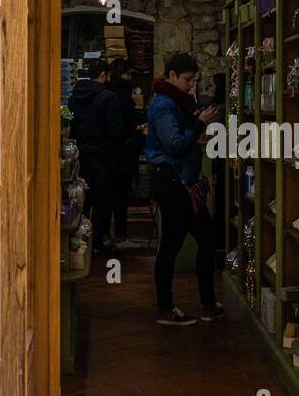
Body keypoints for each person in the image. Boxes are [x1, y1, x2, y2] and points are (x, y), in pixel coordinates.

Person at [145, 52, 224, 326]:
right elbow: (175, 144)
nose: (191, 85)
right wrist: (200, 122)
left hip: (180, 183)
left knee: (204, 238)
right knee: (174, 246)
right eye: (188, 80)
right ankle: (170, 309)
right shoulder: (165, 105)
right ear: (172, 76)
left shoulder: (174, 101)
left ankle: (207, 304)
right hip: (174, 183)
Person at [67, 59, 126, 254]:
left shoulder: (75, 96)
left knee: (84, 197)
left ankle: (79, 237)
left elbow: (71, 124)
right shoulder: (108, 97)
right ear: (103, 75)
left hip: (82, 153)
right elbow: (116, 129)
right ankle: (98, 239)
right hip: (104, 154)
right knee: (103, 199)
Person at [106, 57, 144, 247]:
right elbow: (132, 118)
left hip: (108, 151)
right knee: (121, 194)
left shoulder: (106, 92)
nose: (130, 78)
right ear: (123, 74)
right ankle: (120, 233)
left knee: (108, 194)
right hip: (123, 151)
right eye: (128, 74)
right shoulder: (123, 93)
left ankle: (104, 233)